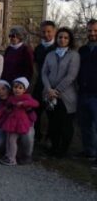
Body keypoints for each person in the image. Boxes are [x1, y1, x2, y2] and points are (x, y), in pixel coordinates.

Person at [42, 27, 80, 158]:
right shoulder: (50, 54)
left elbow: (71, 76)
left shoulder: (74, 55)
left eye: (65, 38)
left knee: (65, 125)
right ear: (56, 38)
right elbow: (44, 73)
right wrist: (49, 89)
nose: (62, 40)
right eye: (60, 37)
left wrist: (56, 91)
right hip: (49, 95)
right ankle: (53, 148)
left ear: (70, 40)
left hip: (66, 96)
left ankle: (63, 151)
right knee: (53, 123)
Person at [0, 80, 36, 165]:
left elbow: (33, 118)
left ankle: (26, 155)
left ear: (9, 89)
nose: (1, 92)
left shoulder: (19, 98)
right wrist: (7, 114)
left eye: (3, 89)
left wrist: (28, 110)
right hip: (8, 127)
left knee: (28, 134)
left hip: (24, 125)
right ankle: (10, 154)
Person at [77, 19, 97, 165]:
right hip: (83, 93)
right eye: (90, 30)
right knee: (85, 125)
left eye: (95, 31)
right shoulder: (82, 50)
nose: (92, 33)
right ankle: (89, 151)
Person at [32, 21, 57, 141]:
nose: (46, 34)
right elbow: (36, 65)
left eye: (49, 31)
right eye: (43, 32)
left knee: (52, 114)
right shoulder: (38, 48)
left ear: (54, 32)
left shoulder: (58, 48)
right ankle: (36, 137)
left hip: (53, 86)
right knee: (35, 111)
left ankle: (50, 139)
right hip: (39, 85)